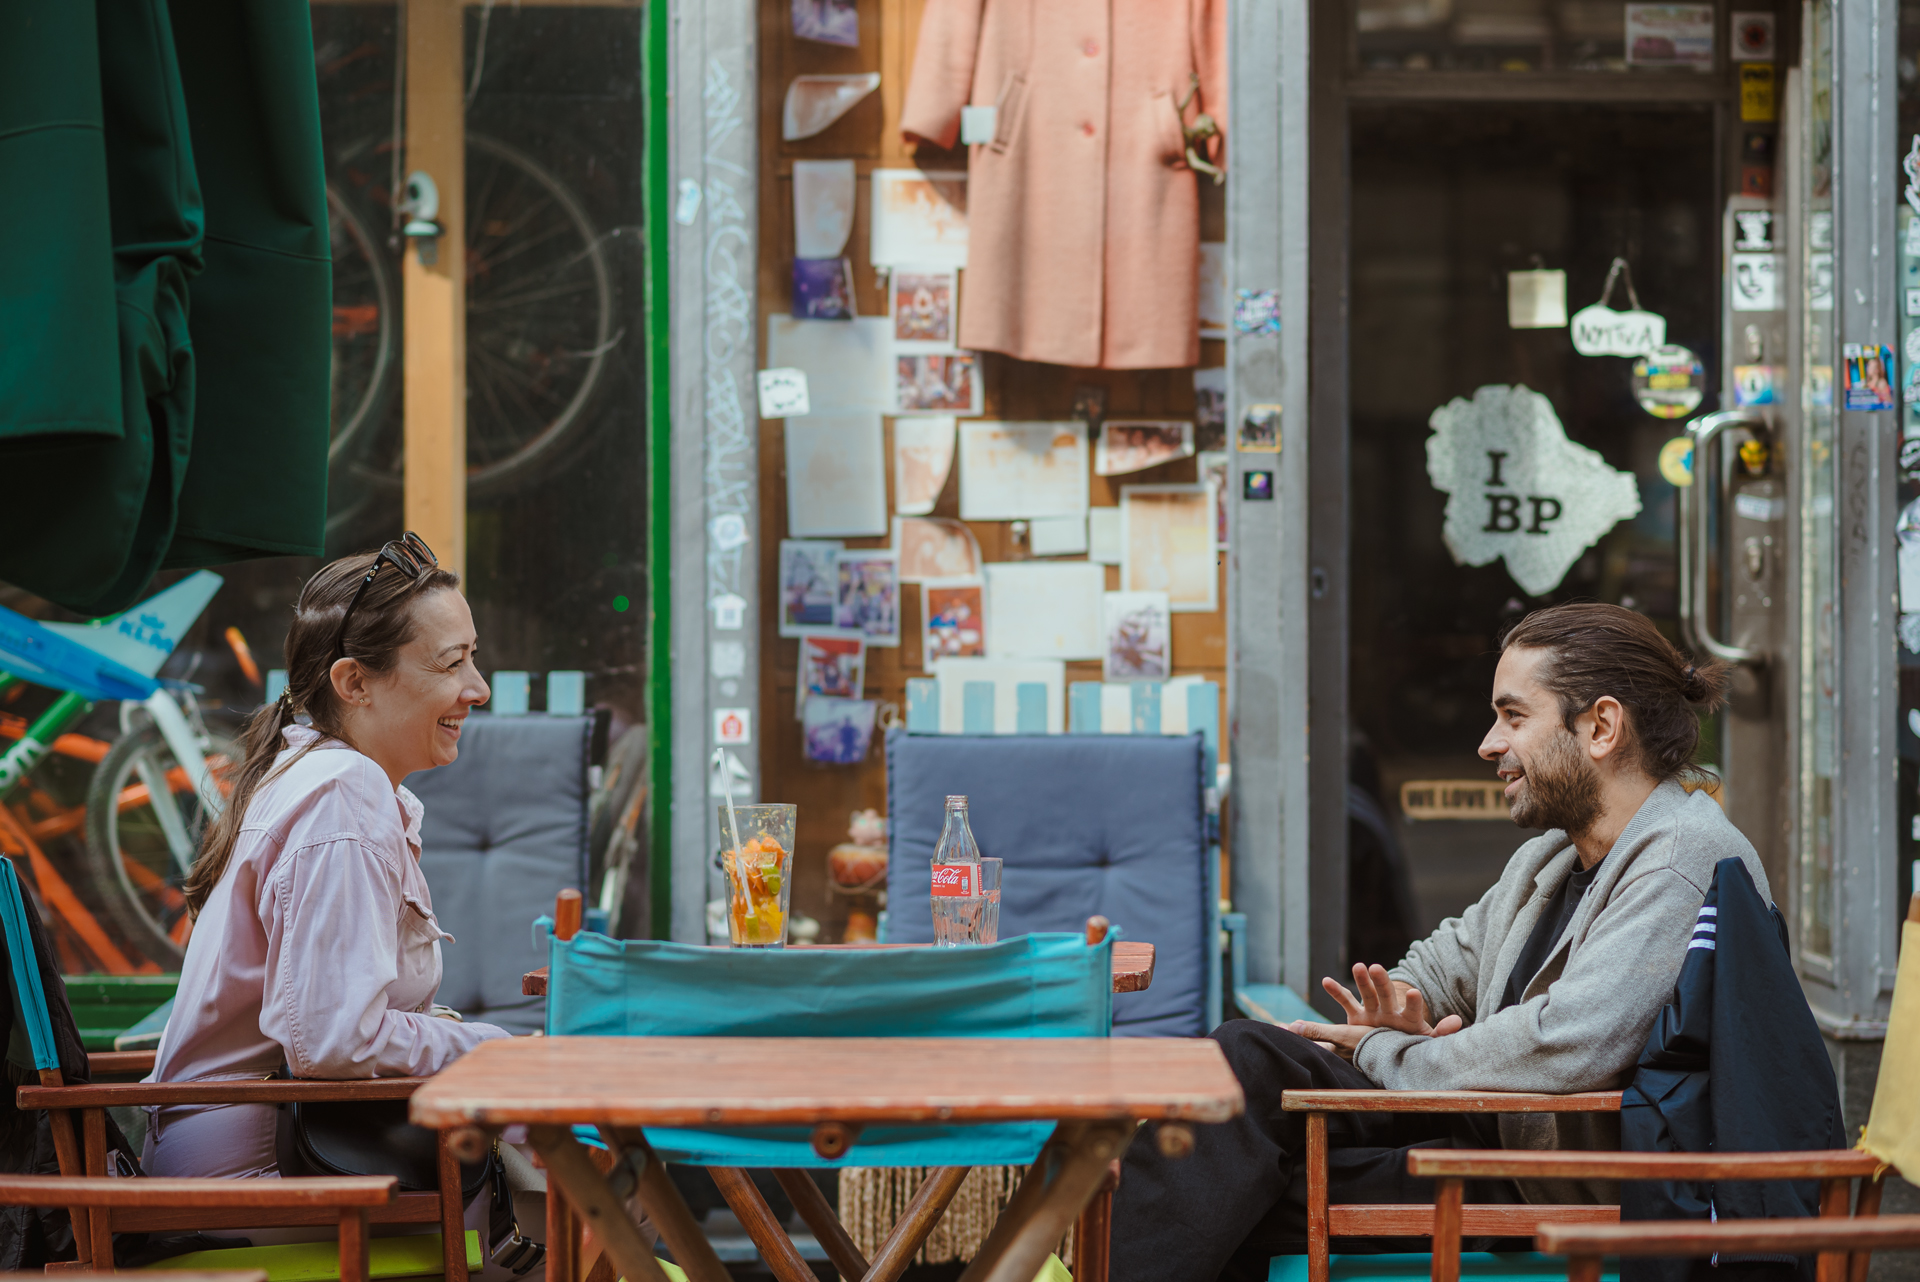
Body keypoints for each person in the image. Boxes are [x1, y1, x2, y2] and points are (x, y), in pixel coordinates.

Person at [1113, 602, 1769, 1282]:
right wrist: (1400, 1002)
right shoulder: (1551, 856)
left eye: (1514, 717)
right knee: (1244, 1061)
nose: (1489, 744)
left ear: (1601, 727)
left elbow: (1569, 1041)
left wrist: (1389, 1053)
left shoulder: (1683, 857)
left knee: (1238, 1186)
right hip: (1496, 1133)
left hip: (1564, 1181)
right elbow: (1446, 959)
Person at [145, 534, 510, 1179]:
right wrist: (496, 1047)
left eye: (472, 659)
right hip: (269, 1172)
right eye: (450, 664)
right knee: (607, 1179)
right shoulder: (342, 791)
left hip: (274, 1148)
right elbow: (335, 1043)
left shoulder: (315, 774)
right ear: (353, 681)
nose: (477, 688)